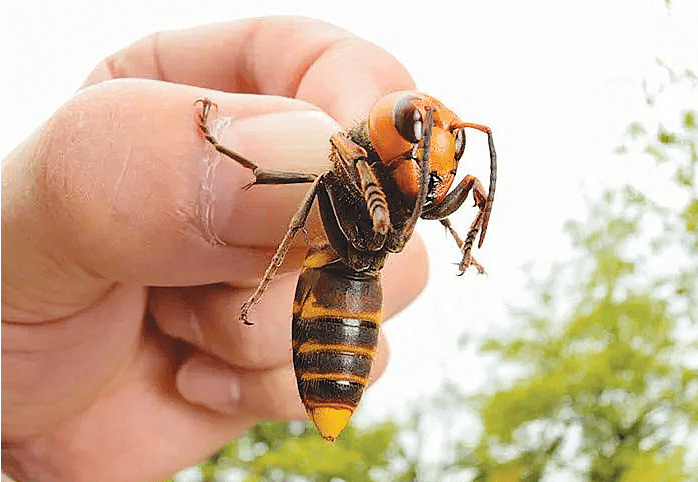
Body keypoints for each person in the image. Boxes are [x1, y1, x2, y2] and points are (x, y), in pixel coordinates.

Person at [1, 17, 428, 482]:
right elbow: (298, 180)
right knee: (313, 183)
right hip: (341, 295)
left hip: (352, 293)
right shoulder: (347, 151)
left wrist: (26, 463)